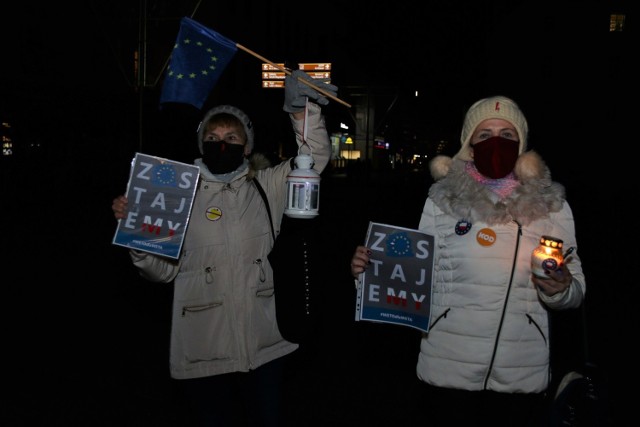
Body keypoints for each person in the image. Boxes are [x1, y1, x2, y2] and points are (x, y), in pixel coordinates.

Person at [112, 69, 337, 427]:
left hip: (264, 342)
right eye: (213, 136)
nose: (222, 143)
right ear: (201, 145)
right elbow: (159, 271)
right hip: (203, 348)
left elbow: (315, 159)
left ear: (247, 145)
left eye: (232, 136)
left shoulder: (268, 185)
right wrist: (136, 232)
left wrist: (301, 112)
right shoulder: (174, 194)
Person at [350, 95, 586, 426]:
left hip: (521, 374)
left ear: (521, 145)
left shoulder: (552, 206)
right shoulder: (442, 200)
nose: (495, 143)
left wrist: (560, 288)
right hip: (448, 367)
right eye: (484, 133)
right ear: (470, 145)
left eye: (507, 135)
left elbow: (576, 290)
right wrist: (372, 270)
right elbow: (419, 272)